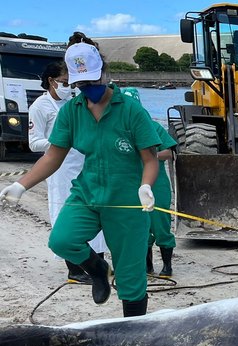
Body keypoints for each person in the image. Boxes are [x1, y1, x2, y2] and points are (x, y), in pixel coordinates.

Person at [0, 33, 162, 317]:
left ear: (105, 73)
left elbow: (150, 159)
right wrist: (21, 185)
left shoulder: (132, 111)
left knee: (130, 276)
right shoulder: (72, 112)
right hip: (87, 194)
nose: (88, 90)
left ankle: (134, 330)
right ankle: (97, 269)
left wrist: (146, 187)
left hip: (126, 200)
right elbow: (53, 156)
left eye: (93, 82)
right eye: (81, 85)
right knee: (62, 240)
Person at [28, 60, 107, 284]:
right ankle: (74, 270)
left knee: (94, 212)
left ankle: (97, 264)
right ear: (51, 81)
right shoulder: (40, 107)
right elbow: (34, 143)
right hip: (60, 168)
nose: (68, 87)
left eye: (70, 83)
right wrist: (61, 142)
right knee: (66, 214)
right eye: (64, 82)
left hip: (83, 163)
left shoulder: (74, 103)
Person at [123, 87, 178, 279]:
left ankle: (167, 266)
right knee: (141, 228)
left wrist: (149, 156)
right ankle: (147, 266)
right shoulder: (120, 129)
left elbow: (170, 153)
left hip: (157, 185)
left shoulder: (154, 127)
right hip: (132, 185)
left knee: (161, 225)